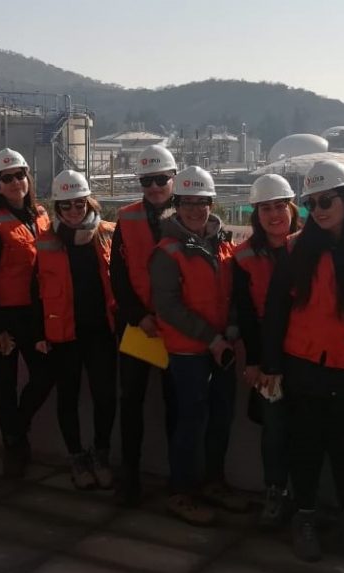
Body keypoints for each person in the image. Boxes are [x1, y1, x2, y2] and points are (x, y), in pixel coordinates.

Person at [260, 160, 344, 562]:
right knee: (306, 446)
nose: (318, 210)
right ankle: (305, 519)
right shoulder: (296, 249)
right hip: (304, 366)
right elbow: (276, 310)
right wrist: (271, 365)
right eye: (312, 203)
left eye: (326, 200)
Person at [150, 165, 246, 526]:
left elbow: (232, 293)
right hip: (189, 352)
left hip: (221, 348)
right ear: (176, 206)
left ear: (211, 204)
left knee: (221, 417)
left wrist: (232, 328)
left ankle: (213, 482)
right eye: (187, 203)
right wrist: (212, 338)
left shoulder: (221, 244)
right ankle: (181, 492)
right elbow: (168, 306)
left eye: (201, 202)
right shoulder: (167, 251)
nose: (194, 210)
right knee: (190, 421)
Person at [0, 147, 54, 478]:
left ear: (27, 178)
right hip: (4, 317)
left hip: (36, 315)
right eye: (6, 178)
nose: (15, 182)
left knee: (46, 374)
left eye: (19, 175)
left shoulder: (41, 215)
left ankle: (17, 428)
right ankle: (14, 446)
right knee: (5, 382)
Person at [33, 170, 117, 490]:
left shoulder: (107, 233)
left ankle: (101, 454)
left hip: (101, 332)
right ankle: (76, 457)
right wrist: (39, 333)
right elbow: (35, 290)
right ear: (57, 207)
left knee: (105, 395)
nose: (73, 211)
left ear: (88, 202)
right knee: (67, 396)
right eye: (65, 206)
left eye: (79, 204)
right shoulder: (46, 241)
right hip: (64, 334)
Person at [110, 144, 177, 506]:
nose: (154, 188)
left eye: (160, 180)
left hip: (176, 326)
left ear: (173, 179)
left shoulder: (190, 213)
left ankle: (179, 480)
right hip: (138, 325)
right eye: (147, 181)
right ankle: (130, 477)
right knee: (131, 403)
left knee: (176, 405)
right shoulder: (127, 218)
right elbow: (118, 275)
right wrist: (138, 316)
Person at [232, 174, 300, 528]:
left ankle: (305, 501)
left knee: (307, 429)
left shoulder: (309, 246)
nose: (274, 215)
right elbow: (246, 313)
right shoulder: (244, 256)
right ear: (255, 215)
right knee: (274, 428)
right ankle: (275, 492)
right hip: (270, 358)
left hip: (309, 354)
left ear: (292, 208)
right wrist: (255, 361)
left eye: (279, 206)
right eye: (265, 209)